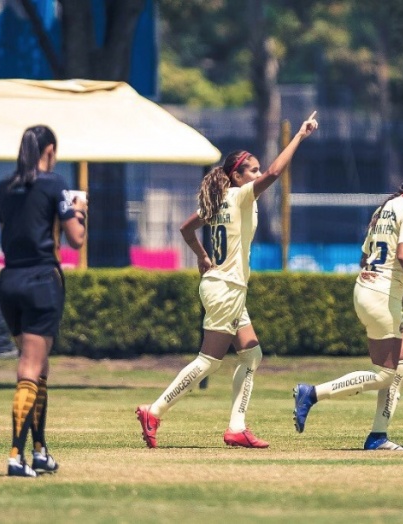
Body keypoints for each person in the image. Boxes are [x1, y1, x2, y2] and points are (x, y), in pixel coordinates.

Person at [135, 112, 319, 449]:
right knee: (208, 361)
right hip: (227, 289)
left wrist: (202, 257)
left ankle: (237, 426)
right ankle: (154, 410)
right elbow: (277, 172)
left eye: (258, 170)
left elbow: (187, 229)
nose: (259, 174)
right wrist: (300, 136)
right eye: (252, 170)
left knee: (251, 356)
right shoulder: (239, 195)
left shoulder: (220, 200)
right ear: (237, 176)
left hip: (223, 287)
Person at [291, 162, 403, 451]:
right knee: (386, 374)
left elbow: (366, 258)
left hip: (368, 289)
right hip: (381, 296)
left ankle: (378, 436)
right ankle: (311, 393)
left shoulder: (384, 208)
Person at [0, 125, 87, 477]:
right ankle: (16, 455)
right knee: (30, 370)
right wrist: (79, 209)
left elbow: (8, 229)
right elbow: (76, 239)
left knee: (37, 368)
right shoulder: (54, 184)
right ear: (49, 149)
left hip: (9, 280)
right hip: (41, 280)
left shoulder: (4, 186)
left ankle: (39, 450)